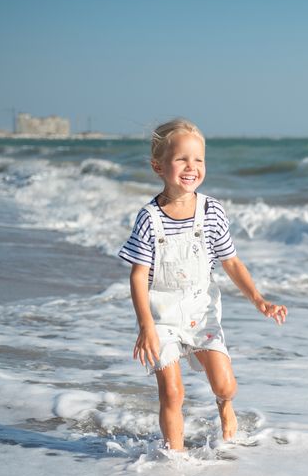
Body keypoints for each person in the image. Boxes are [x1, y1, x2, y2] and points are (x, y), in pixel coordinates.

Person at [118, 118, 287, 451]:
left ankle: (224, 407)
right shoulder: (148, 218)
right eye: (182, 159)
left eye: (198, 160)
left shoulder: (212, 211)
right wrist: (145, 326)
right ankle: (174, 457)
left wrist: (259, 300)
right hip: (161, 318)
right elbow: (138, 275)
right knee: (172, 392)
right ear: (159, 166)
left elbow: (231, 262)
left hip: (200, 312)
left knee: (225, 386)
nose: (191, 167)